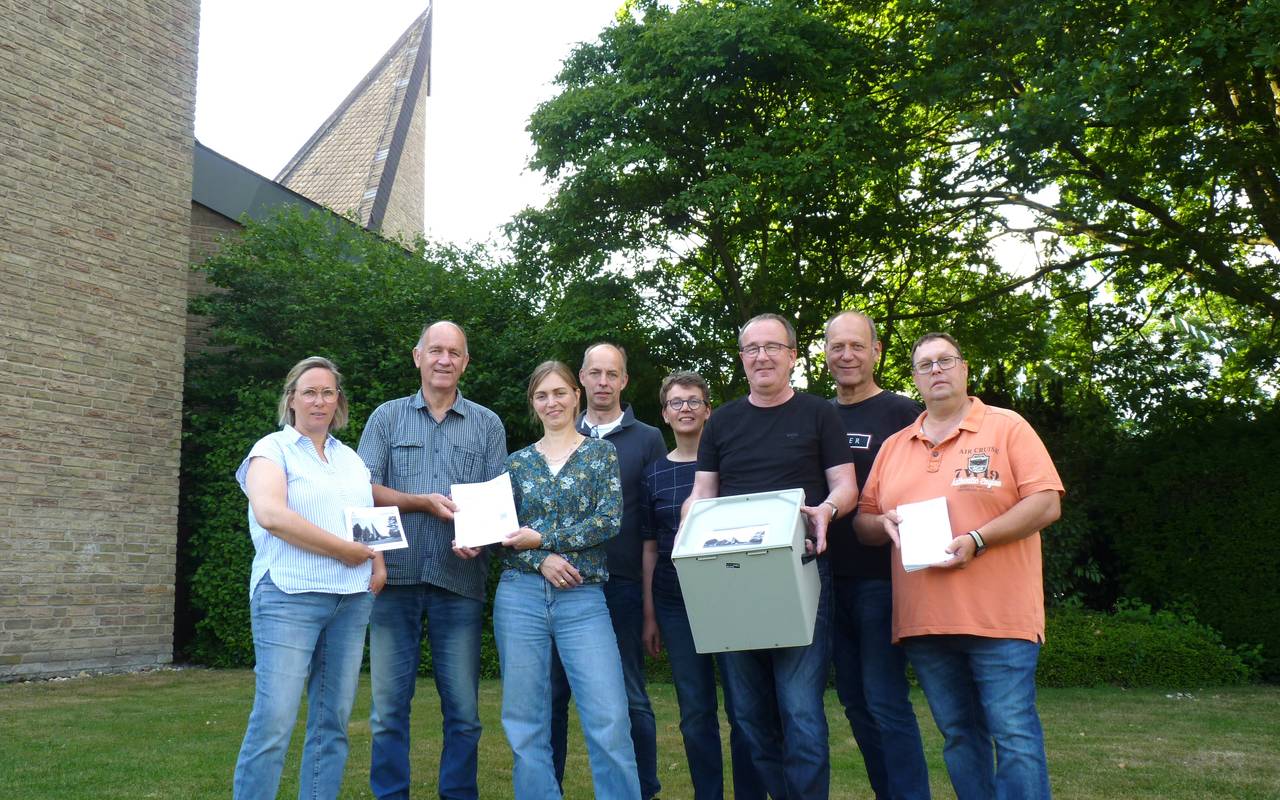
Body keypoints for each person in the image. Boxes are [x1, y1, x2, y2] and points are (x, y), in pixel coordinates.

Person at [855, 332, 1063, 800]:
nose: (936, 370)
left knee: (1013, 735)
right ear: (914, 378)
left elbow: (1046, 503)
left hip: (1000, 619)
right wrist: (882, 522)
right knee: (959, 736)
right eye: (925, 364)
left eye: (945, 361)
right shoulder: (895, 445)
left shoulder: (1006, 427)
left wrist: (978, 539)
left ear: (964, 369)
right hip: (925, 621)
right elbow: (864, 523)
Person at [684, 313, 858, 800]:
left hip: (801, 573)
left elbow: (846, 486)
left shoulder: (819, 413)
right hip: (731, 579)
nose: (762, 356)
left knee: (801, 709)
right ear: (742, 358)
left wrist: (826, 510)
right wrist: (687, 529)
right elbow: (702, 493)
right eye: (752, 349)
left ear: (793, 356)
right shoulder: (722, 422)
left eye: (772, 347)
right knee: (746, 714)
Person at [459, 360, 640, 799]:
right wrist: (539, 558)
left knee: (609, 716)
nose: (551, 402)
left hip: (583, 597)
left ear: (576, 396)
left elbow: (608, 520)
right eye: (542, 395)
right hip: (520, 597)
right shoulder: (516, 464)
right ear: (533, 403)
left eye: (559, 393)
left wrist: (544, 540)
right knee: (525, 721)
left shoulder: (600, 454)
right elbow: (504, 534)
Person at [357, 321, 507, 800]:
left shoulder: (487, 424)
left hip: (458, 580)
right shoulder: (386, 417)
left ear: (465, 362)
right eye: (436, 350)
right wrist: (419, 502)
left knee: (463, 712)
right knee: (387, 711)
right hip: (394, 580)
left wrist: (482, 537)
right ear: (417, 356)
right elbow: (361, 491)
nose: (445, 359)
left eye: (454, 352)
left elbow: (496, 501)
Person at [232, 356, 384, 800]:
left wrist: (377, 562)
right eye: (310, 392)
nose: (319, 401)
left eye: (327, 392)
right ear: (292, 399)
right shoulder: (270, 450)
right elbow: (272, 515)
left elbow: (364, 519)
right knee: (274, 722)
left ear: (338, 401)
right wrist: (342, 550)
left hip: (351, 600)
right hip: (289, 595)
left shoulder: (350, 458)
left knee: (332, 722)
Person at [547, 343, 665, 798]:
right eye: (594, 373)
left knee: (629, 696)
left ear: (624, 381)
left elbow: (652, 526)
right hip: (563, 583)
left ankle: (644, 790)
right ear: (580, 380)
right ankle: (549, 788)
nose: (602, 382)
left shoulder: (648, 439)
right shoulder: (560, 433)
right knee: (553, 695)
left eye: (611, 374)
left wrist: (651, 607)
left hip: (622, 586)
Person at [640, 371, 763, 800]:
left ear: (708, 410)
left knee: (744, 709)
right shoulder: (653, 474)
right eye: (676, 402)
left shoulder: (730, 467)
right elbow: (649, 547)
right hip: (674, 602)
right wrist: (650, 615)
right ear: (665, 414)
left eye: (694, 401)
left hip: (730, 598)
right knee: (695, 713)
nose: (686, 408)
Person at [823, 311, 931, 800]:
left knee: (885, 700)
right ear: (825, 353)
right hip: (825, 580)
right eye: (837, 346)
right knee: (854, 702)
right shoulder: (817, 415)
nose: (846, 355)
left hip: (882, 581)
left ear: (876, 350)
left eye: (856, 346)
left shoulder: (903, 413)